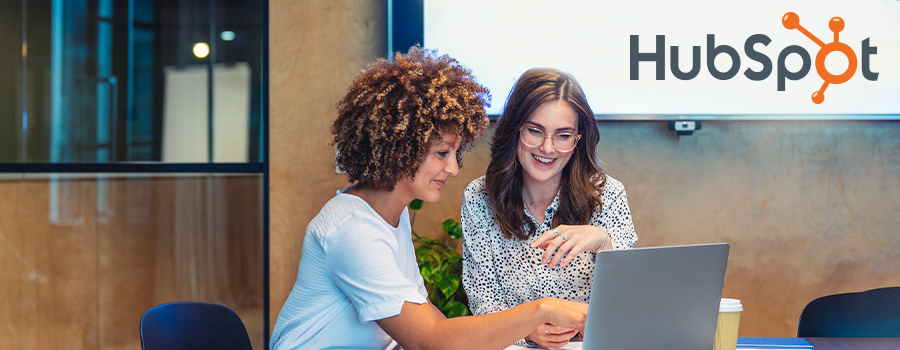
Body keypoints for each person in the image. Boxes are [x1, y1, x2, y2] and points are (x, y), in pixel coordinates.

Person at [270, 49, 589, 350]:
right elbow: (428, 340)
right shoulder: (352, 230)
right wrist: (542, 310)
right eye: (441, 153)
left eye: (454, 153)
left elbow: (431, 318)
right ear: (400, 147)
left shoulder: (391, 214)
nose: (452, 168)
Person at [461, 68, 638, 348]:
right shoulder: (479, 198)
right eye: (534, 131)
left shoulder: (608, 194)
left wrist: (602, 241)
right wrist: (526, 330)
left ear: (578, 140)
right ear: (514, 130)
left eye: (563, 135)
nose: (547, 148)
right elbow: (483, 301)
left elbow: (629, 300)